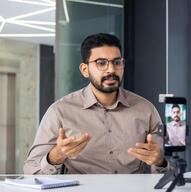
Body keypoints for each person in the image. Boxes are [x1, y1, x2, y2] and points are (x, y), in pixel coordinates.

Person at [24, 33, 167, 174]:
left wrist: (160, 161)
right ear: (85, 70)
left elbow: (168, 174)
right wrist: (56, 156)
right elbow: (31, 171)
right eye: (101, 63)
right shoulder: (60, 111)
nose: (111, 69)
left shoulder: (146, 109)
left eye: (117, 62)